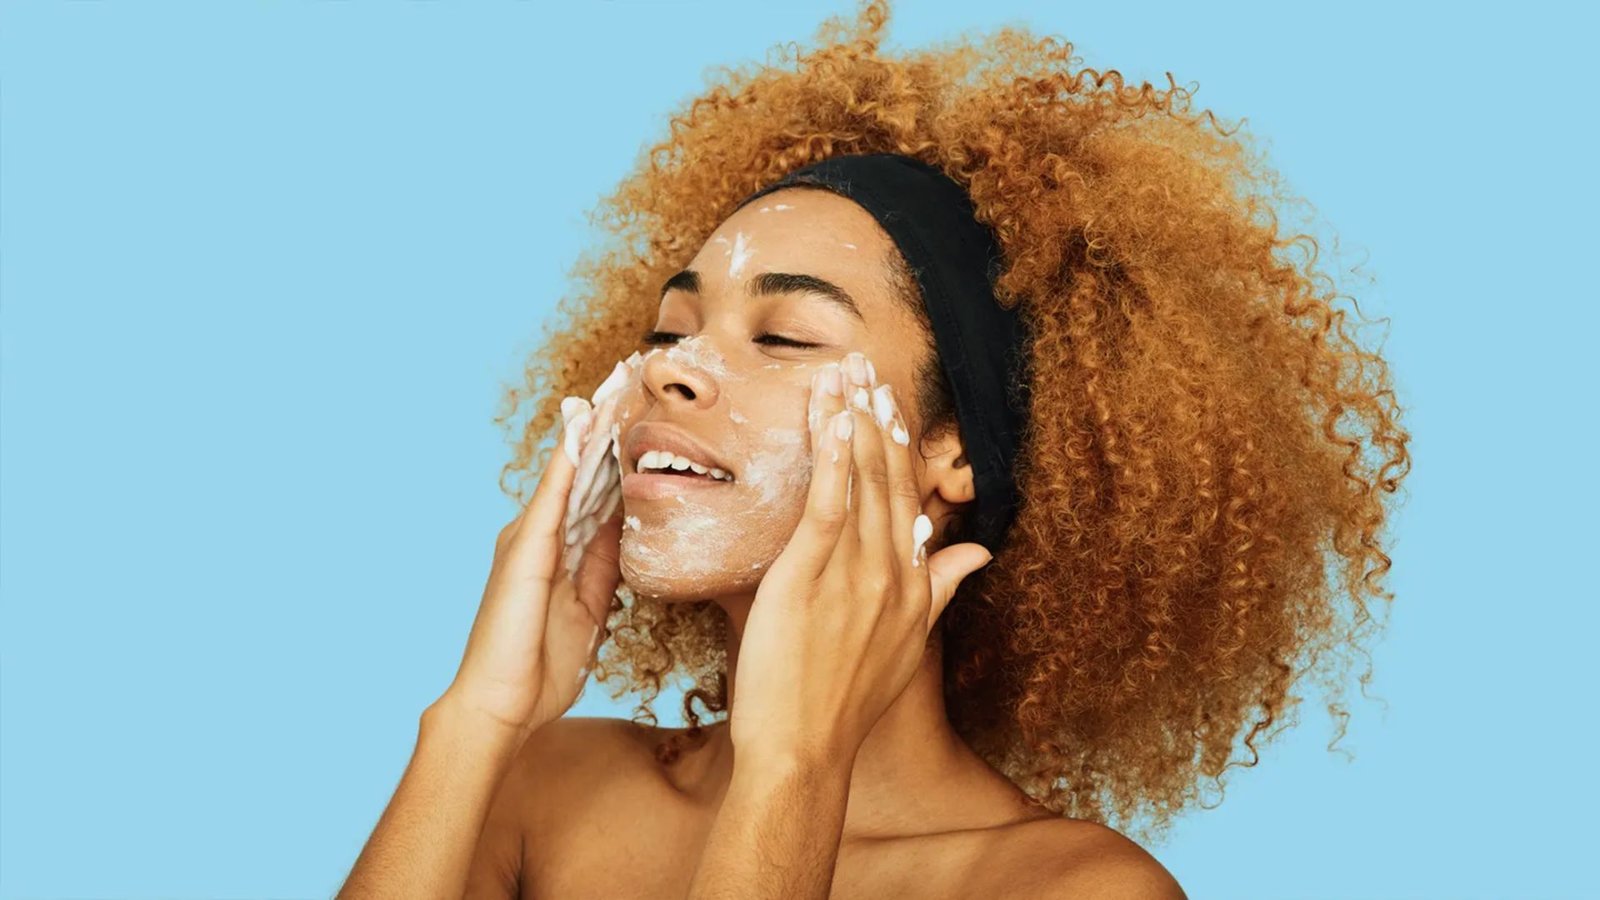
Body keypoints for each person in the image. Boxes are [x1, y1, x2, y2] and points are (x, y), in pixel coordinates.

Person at [337, 2, 1409, 897]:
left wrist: (796, 770)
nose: (672, 369)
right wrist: (477, 715)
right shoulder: (545, 786)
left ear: (950, 454)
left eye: (787, 338)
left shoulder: (1067, 890)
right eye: (670, 329)